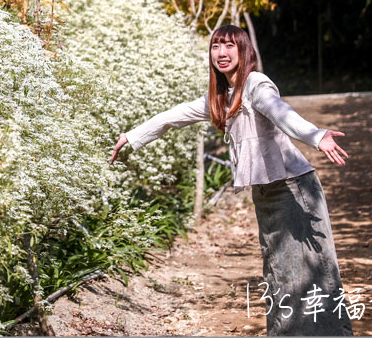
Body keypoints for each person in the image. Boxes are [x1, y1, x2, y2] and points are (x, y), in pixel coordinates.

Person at [110, 24, 353, 336]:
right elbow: (174, 115)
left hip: (295, 190)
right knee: (279, 274)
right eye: (215, 46)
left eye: (228, 46)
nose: (221, 53)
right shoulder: (222, 98)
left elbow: (280, 112)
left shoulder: (256, 85)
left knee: (312, 274)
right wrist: (131, 137)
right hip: (266, 195)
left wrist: (316, 135)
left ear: (243, 51)